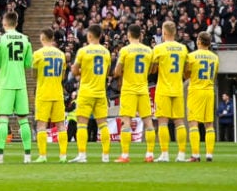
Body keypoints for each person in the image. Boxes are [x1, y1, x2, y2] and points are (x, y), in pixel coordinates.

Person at [0, 11, 33, 164]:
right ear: (16, 23)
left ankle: (0, 156)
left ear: (4, 23)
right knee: (24, 120)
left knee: (3, 119)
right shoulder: (26, 39)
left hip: (5, 83)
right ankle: (28, 156)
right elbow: (29, 63)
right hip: (20, 84)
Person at [69, 25, 112, 163]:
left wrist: (83, 71)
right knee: (103, 125)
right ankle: (105, 156)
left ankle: (82, 155)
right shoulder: (106, 52)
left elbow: (74, 72)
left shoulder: (83, 51)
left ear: (89, 36)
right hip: (100, 92)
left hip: (86, 92)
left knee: (82, 124)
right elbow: (107, 71)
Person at [113, 24, 155, 163]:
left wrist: (125, 71)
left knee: (126, 122)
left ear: (128, 35)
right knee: (148, 122)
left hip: (129, 90)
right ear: (141, 35)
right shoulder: (148, 50)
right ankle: (149, 154)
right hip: (143, 89)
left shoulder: (125, 50)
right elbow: (152, 70)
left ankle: (125, 155)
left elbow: (117, 72)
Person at [150, 21, 189, 162]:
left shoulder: (159, 49)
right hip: (178, 88)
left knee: (162, 123)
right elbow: (186, 72)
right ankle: (181, 154)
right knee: (179, 123)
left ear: (164, 32)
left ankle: (165, 154)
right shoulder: (183, 48)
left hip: (163, 89)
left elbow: (153, 70)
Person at [32, 28, 68, 163]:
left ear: (42, 38)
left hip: (43, 93)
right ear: (52, 38)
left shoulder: (37, 54)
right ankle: (63, 155)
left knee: (41, 125)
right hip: (57, 93)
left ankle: (42, 155)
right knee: (60, 125)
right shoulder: (61, 55)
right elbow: (63, 76)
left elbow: (34, 75)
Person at [185, 32, 219, 162]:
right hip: (209, 90)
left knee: (193, 123)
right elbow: (215, 75)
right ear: (209, 43)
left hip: (196, 90)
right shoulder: (215, 57)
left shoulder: (191, 56)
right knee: (209, 124)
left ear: (199, 41)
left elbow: (187, 74)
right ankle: (209, 154)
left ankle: (196, 155)